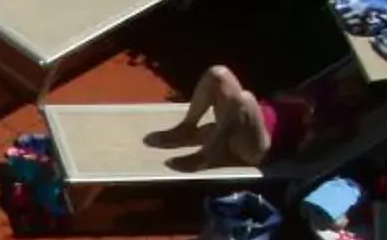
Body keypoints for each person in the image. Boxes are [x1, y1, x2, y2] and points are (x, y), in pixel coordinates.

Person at [148, 63, 367, 169]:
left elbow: (304, 157)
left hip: (259, 149)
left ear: (359, 95)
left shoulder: (345, 124)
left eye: (354, 84)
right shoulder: (326, 87)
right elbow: (278, 94)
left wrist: (311, 130)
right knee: (219, 73)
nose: (346, 82)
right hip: (242, 122)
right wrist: (301, 100)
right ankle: (187, 127)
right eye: (349, 78)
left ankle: (207, 154)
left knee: (245, 99)